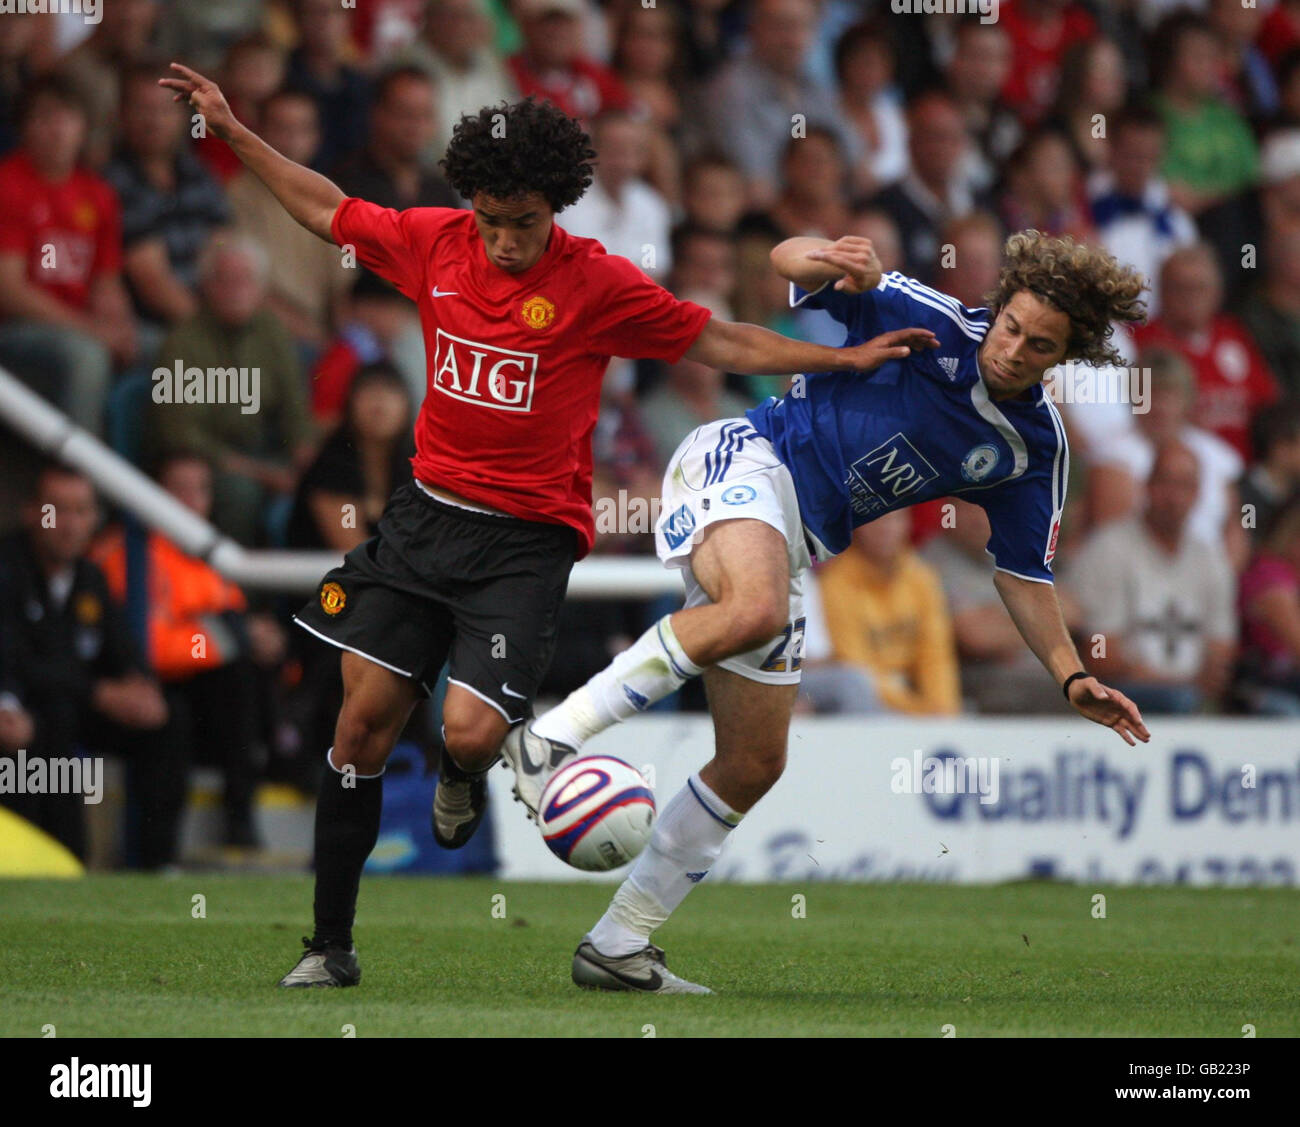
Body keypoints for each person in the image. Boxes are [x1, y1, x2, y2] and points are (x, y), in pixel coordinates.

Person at [159, 64, 934, 988]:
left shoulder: (598, 283)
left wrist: (841, 359)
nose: (504, 239)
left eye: (523, 221)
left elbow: (715, 338)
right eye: (490, 218)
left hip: (525, 542)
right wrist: (234, 129)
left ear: (555, 207)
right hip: (421, 520)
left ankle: (459, 770)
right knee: (359, 723)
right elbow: (325, 207)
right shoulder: (433, 242)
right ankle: (329, 945)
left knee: (476, 736)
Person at [499, 228, 1152, 994]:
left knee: (753, 762)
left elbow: (1022, 574)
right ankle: (550, 737)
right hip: (743, 458)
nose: (1013, 350)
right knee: (755, 605)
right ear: (998, 307)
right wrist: (834, 258)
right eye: (1010, 326)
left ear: (1062, 357)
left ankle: (617, 944)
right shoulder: (929, 321)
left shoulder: (1029, 448)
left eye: (1039, 346)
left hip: (794, 537)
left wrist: (1072, 677)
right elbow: (782, 260)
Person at [1069, 440, 1237, 715]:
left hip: (1194, 693)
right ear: (1146, 486)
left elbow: (1222, 647)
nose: (1174, 497)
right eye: (1165, 483)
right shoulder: (1108, 548)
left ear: (1197, 494)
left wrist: (1205, 680)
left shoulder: (1211, 557)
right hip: (1119, 693)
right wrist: (1181, 683)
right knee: (1181, 701)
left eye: (1185, 486)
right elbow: (1099, 654)